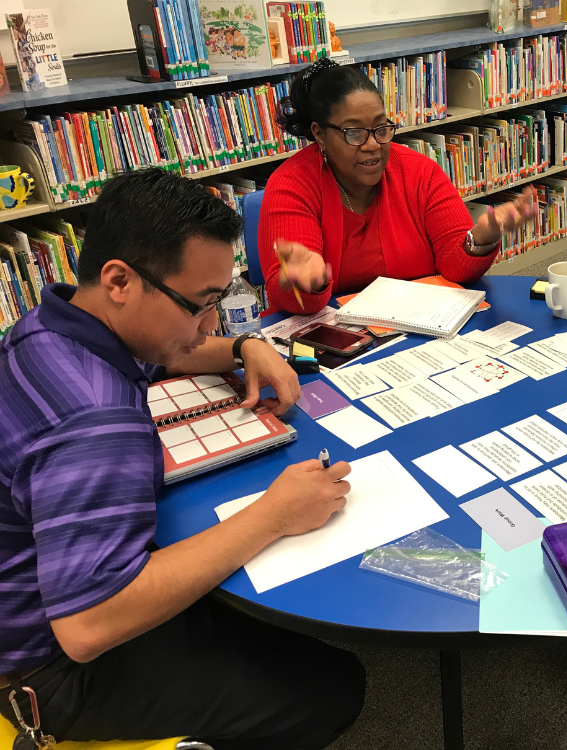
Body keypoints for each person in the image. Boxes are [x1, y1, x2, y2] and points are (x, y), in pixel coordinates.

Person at [0, 169, 365, 750]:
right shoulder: (96, 420)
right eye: (201, 304)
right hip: (47, 674)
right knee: (331, 687)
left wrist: (247, 346)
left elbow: (161, 356)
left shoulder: (53, 325)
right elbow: (88, 627)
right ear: (120, 280)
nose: (211, 324)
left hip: (31, 594)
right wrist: (274, 515)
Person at [259, 58, 537, 313]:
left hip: (417, 328)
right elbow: (290, 300)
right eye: (354, 132)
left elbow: (455, 269)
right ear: (319, 134)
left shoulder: (419, 172)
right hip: (334, 339)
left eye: (381, 129)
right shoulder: (292, 185)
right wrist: (310, 283)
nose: (372, 145)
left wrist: (481, 238)